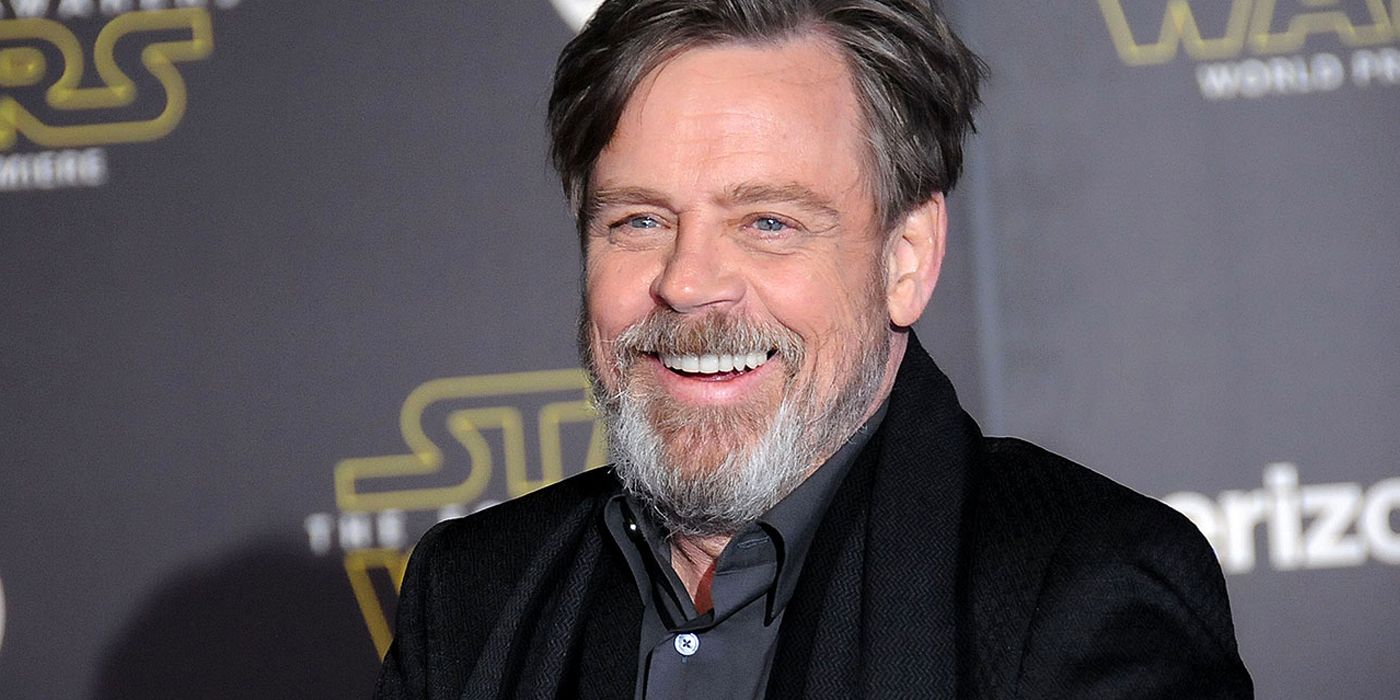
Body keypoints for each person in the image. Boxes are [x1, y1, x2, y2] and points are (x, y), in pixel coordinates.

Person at [375, 1, 1254, 697]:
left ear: (905, 260)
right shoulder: (472, 597)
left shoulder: (1079, 589)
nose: (687, 282)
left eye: (768, 222)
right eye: (639, 220)